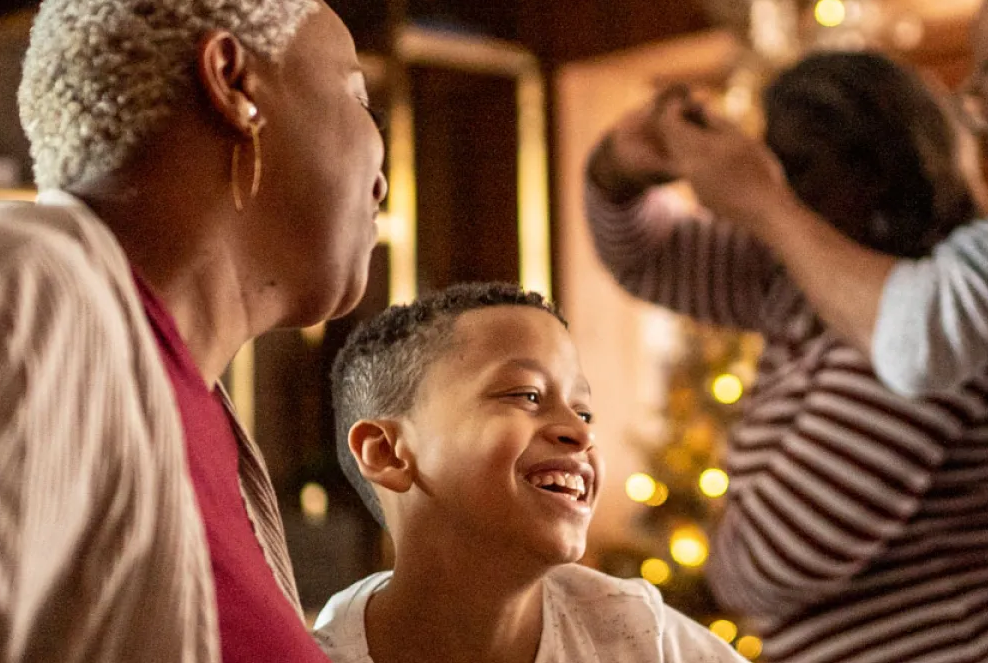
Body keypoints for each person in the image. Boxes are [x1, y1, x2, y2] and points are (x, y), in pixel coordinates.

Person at [639, 0, 988, 657]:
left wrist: (763, 203)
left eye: (980, 92)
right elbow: (652, 256)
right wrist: (621, 169)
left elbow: (926, 334)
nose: (980, 121)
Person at [0, 0, 387, 661]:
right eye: (359, 99)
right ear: (234, 82)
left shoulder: (200, 419)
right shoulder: (32, 289)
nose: (381, 181)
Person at [317, 282, 747, 663]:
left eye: (584, 411)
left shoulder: (640, 636)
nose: (581, 432)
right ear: (387, 453)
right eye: (527, 395)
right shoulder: (316, 656)